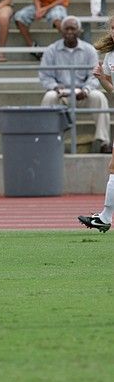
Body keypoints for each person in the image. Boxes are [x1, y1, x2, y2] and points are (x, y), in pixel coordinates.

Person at [39, 15, 111, 152]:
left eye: (73, 29)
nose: (70, 32)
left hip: (82, 93)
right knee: (48, 97)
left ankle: (104, 142)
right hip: (61, 94)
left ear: (79, 31)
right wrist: (55, 86)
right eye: (67, 29)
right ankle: (45, 138)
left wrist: (86, 90)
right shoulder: (51, 50)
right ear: (61, 31)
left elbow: (94, 76)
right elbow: (45, 75)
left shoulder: (89, 50)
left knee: (99, 97)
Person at [78, 15, 114, 233]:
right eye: (113, 27)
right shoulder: (110, 56)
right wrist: (101, 78)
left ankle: (105, 216)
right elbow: (112, 90)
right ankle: (105, 216)